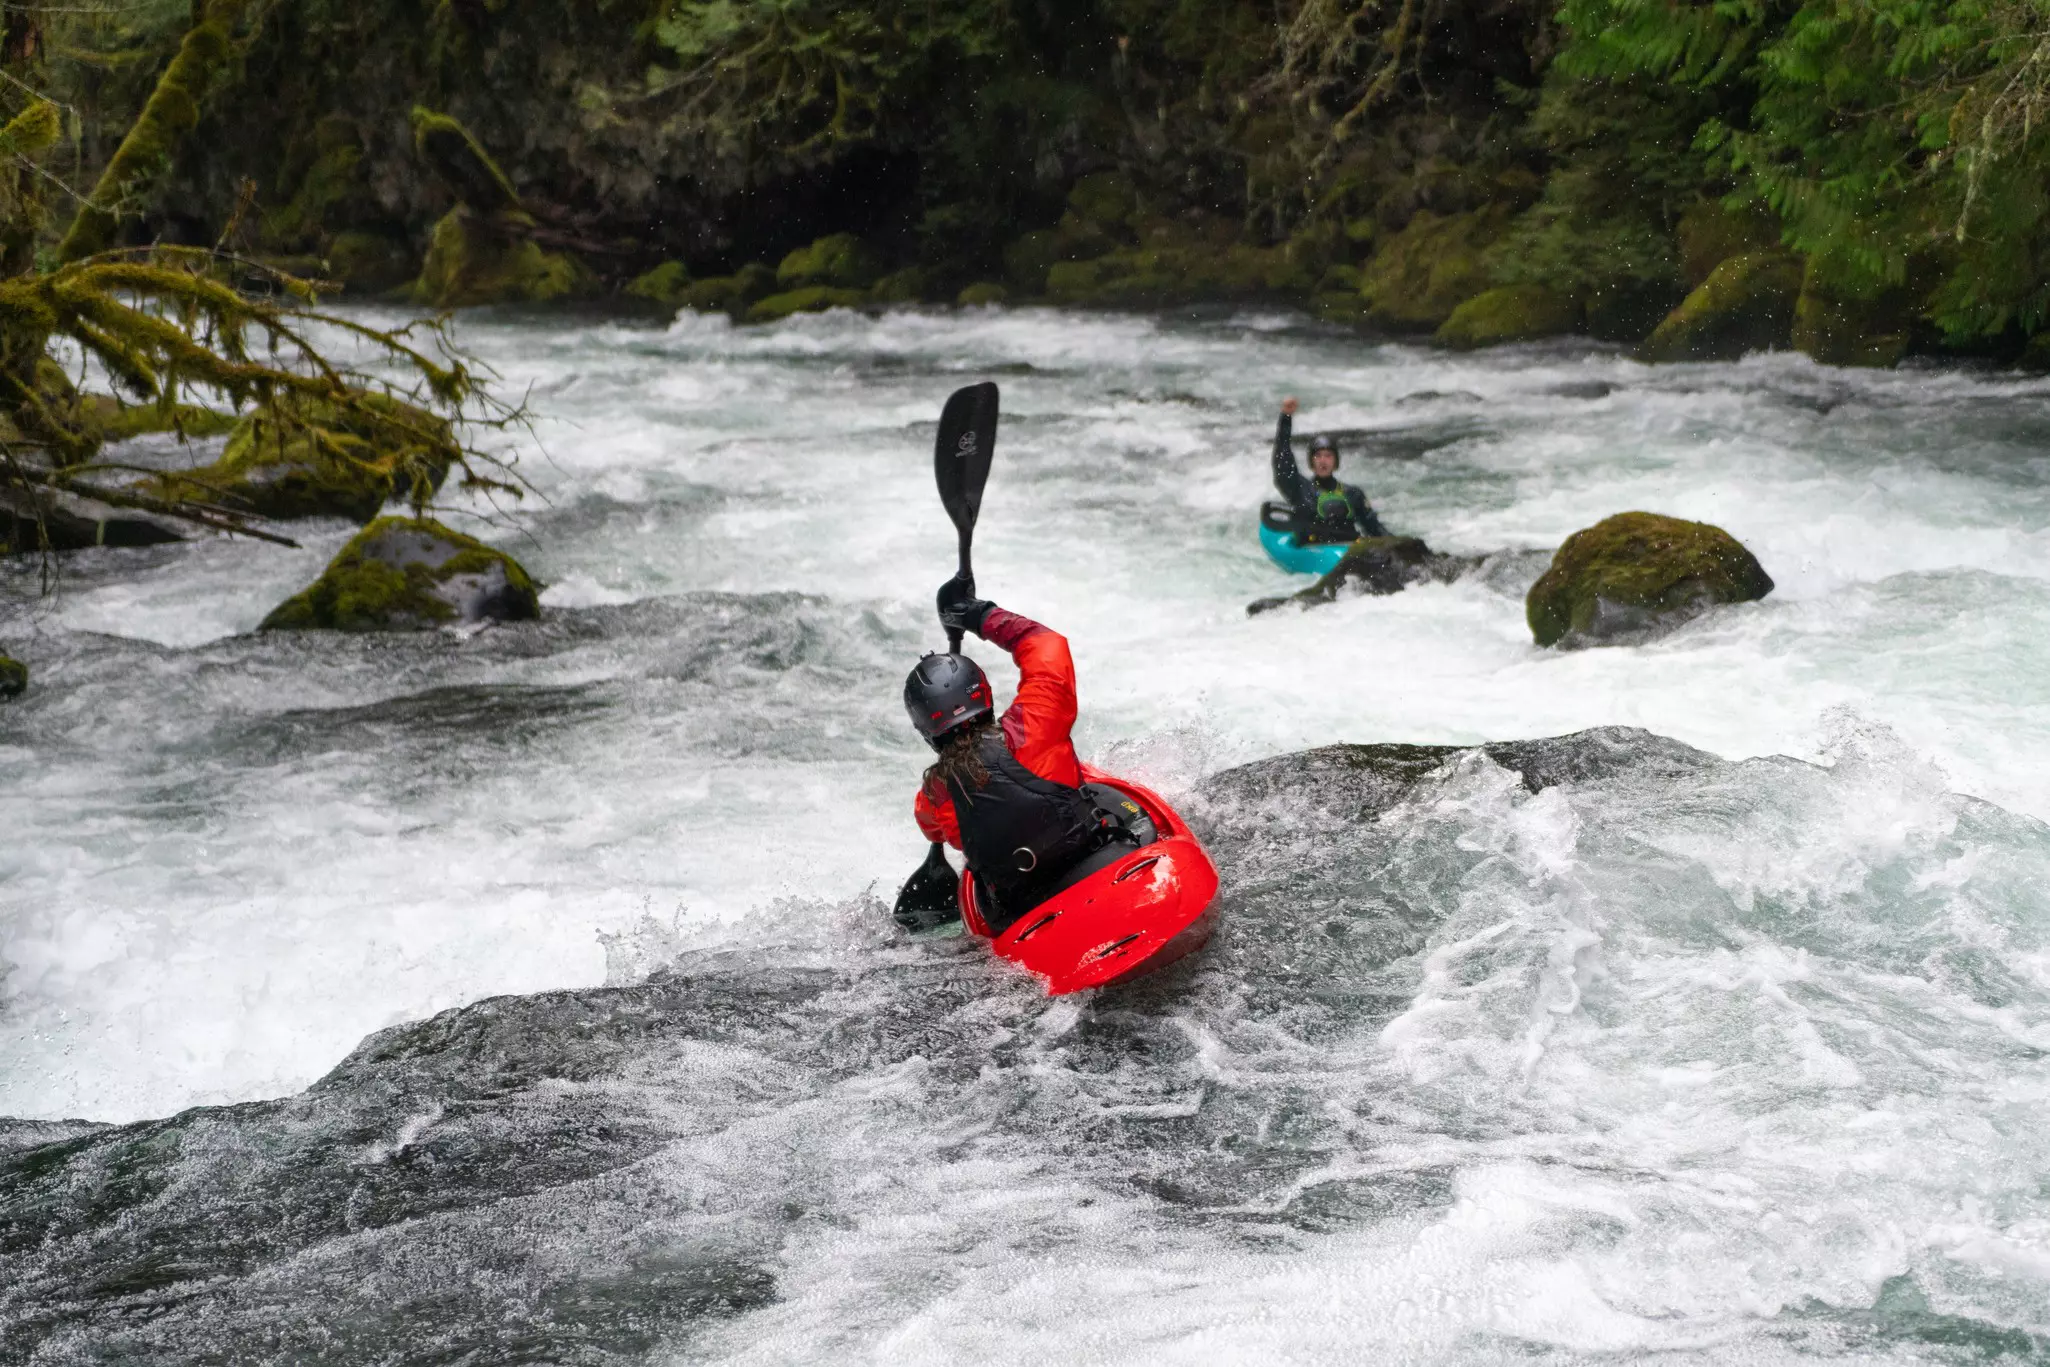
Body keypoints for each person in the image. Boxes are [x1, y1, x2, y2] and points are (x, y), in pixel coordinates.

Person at [902, 575, 1135, 934]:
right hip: (1095, 862)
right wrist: (979, 615)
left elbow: (932, 826)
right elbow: (1046, 645)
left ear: (925, 730)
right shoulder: (1035, 723)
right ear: (983, 693)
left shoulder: (933, 798)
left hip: (1026, 908)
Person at [1269, 395, 1386, 543]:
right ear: (1311, 461)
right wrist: (1286, 418)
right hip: (1313, 550)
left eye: (1328, 456)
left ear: (1335, 461)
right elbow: (1282, 462)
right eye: (1318, 456)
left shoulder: (1352, 494)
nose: (1323, 461)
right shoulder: (1299, 489)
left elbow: (1374, 529)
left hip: (1347, 552)